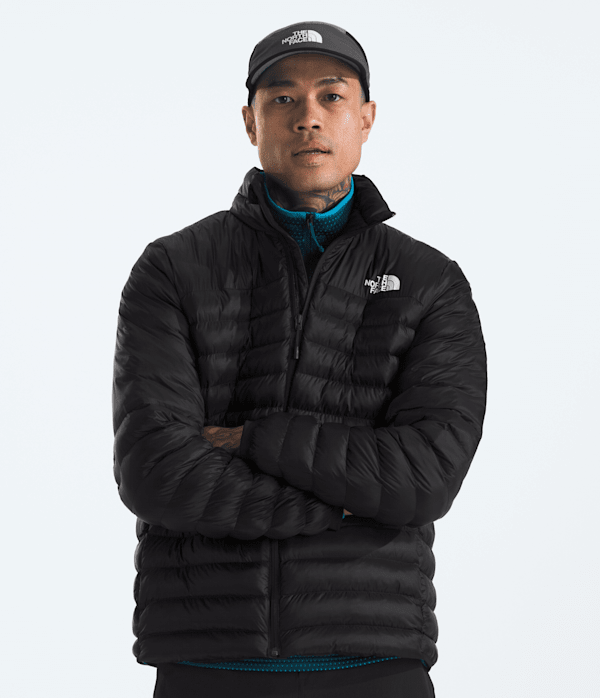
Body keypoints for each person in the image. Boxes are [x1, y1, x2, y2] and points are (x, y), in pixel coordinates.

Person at [112, 20, 487, 698]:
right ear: (249, 122)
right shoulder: (172, 269)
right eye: (282, 98)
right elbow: (156, 472)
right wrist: (351, 506)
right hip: (207, 665)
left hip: (376, 663)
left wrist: (252, 441)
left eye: (331, 96)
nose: (307, 117)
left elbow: (425, 479)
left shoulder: (429, 282)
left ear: (365, 118)